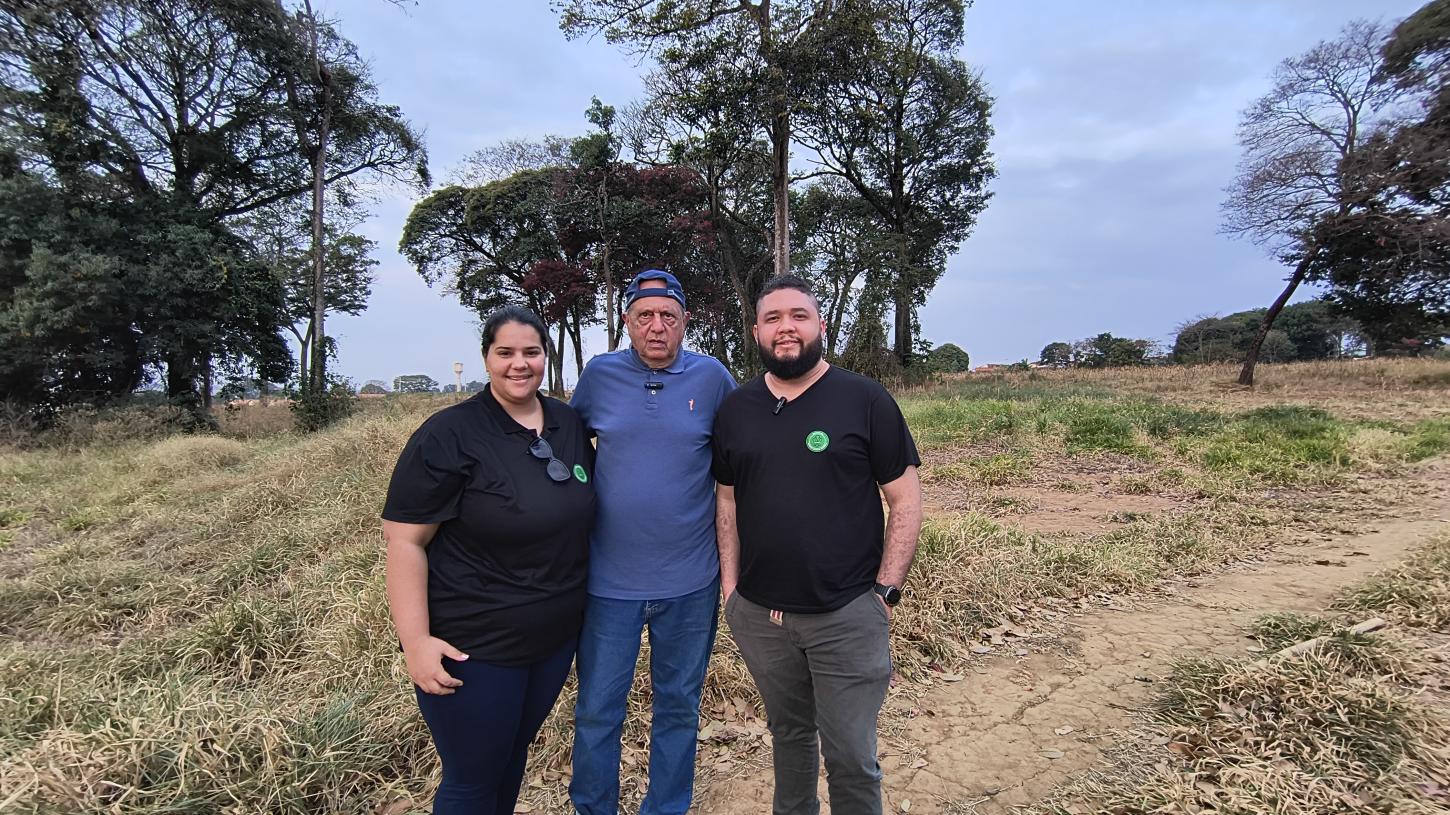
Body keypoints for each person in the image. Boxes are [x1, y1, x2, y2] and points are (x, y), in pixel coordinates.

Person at [711, 274, 923, 815]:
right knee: (790, 739)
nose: (786, 329)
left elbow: (905, 500)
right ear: (756, 331)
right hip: (761, 615)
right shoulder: (736, 410)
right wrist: (732, 590)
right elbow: (728, 503)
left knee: (851, 754)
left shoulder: (865, 399)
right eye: (773, 319)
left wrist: (886, 591)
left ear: (820, 325)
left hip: (846, 611)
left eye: (798, 316)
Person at [382, 305, 595, 815]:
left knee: (509, 759)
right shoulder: (450, 434)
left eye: (531, 352)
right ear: (486, 358)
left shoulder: (566, 421)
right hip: (475, 644)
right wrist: (415, 643)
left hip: (551, 639)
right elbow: (404, 542)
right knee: (472, 781)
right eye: (505, 353)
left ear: (546, 356)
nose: (519, 364)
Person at [568, 269, 737, 815]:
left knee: (679, 706)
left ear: (686, 321)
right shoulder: (600, 375)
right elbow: (566, 446)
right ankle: (595, 808)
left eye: (668, 316)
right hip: (607, 582)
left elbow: (744, 455)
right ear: (627, 323)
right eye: (645, 316)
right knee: (596, 710)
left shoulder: (712, 378)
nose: (657, 326)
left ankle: (666, 807)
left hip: (691, 580)